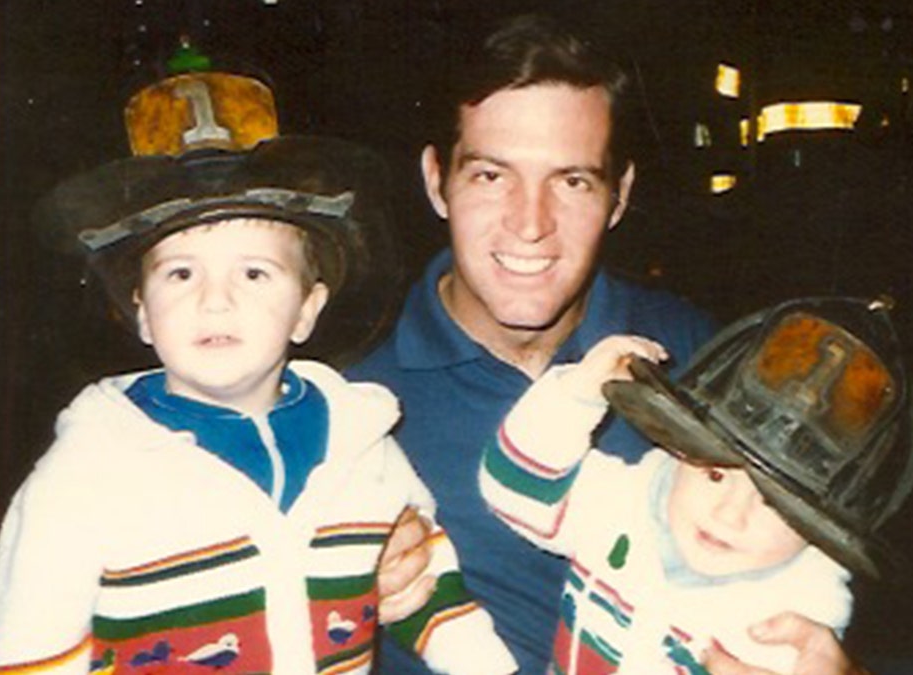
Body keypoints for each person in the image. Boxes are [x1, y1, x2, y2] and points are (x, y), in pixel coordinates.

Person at [349, 13, 869, 675]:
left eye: (572, 181)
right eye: (490, 176)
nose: (530, 224)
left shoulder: (703, 362)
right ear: (435, 181)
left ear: (618, 196)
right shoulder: (347, 398)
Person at [0, 59, 514, 675]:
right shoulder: (82, 477)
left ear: (306, 311)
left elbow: (425, 579)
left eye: (255, 272)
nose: (215, 299)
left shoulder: (360, 443)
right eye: (180, 273)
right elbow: (27, 654)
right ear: (142, 314)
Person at [479, 296, 913, 674]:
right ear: (678, 450)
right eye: (715, 474)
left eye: (775, 505)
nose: (728, 515)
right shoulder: (624, 500)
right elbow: (515, 488)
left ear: (821, 531)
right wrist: (576, 394)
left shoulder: (796, 618)